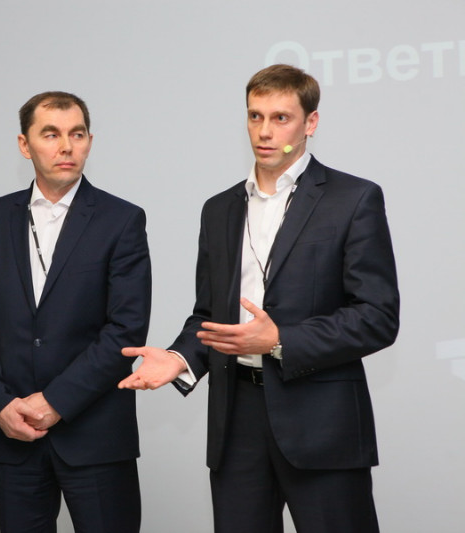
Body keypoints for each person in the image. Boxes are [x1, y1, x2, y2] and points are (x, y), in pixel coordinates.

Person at [119, 64, 399, 533]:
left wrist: (280, 339)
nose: (265, 132)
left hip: (322, 422)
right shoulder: (218, 209)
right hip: (236, 424)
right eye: (255, 116)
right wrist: (180, 358)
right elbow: (209, 315)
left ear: (310, 123)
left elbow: (377, 317)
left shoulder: (353, 199)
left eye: (280, 118)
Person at [0, 91, 151, 532]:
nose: (66, 146)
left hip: (96, 436)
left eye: (77, 134)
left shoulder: (121, 220)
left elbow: (125, 329)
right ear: (24, 145)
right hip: (14, 432)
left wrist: (55, 402)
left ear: (89, 142)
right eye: (51, 134)